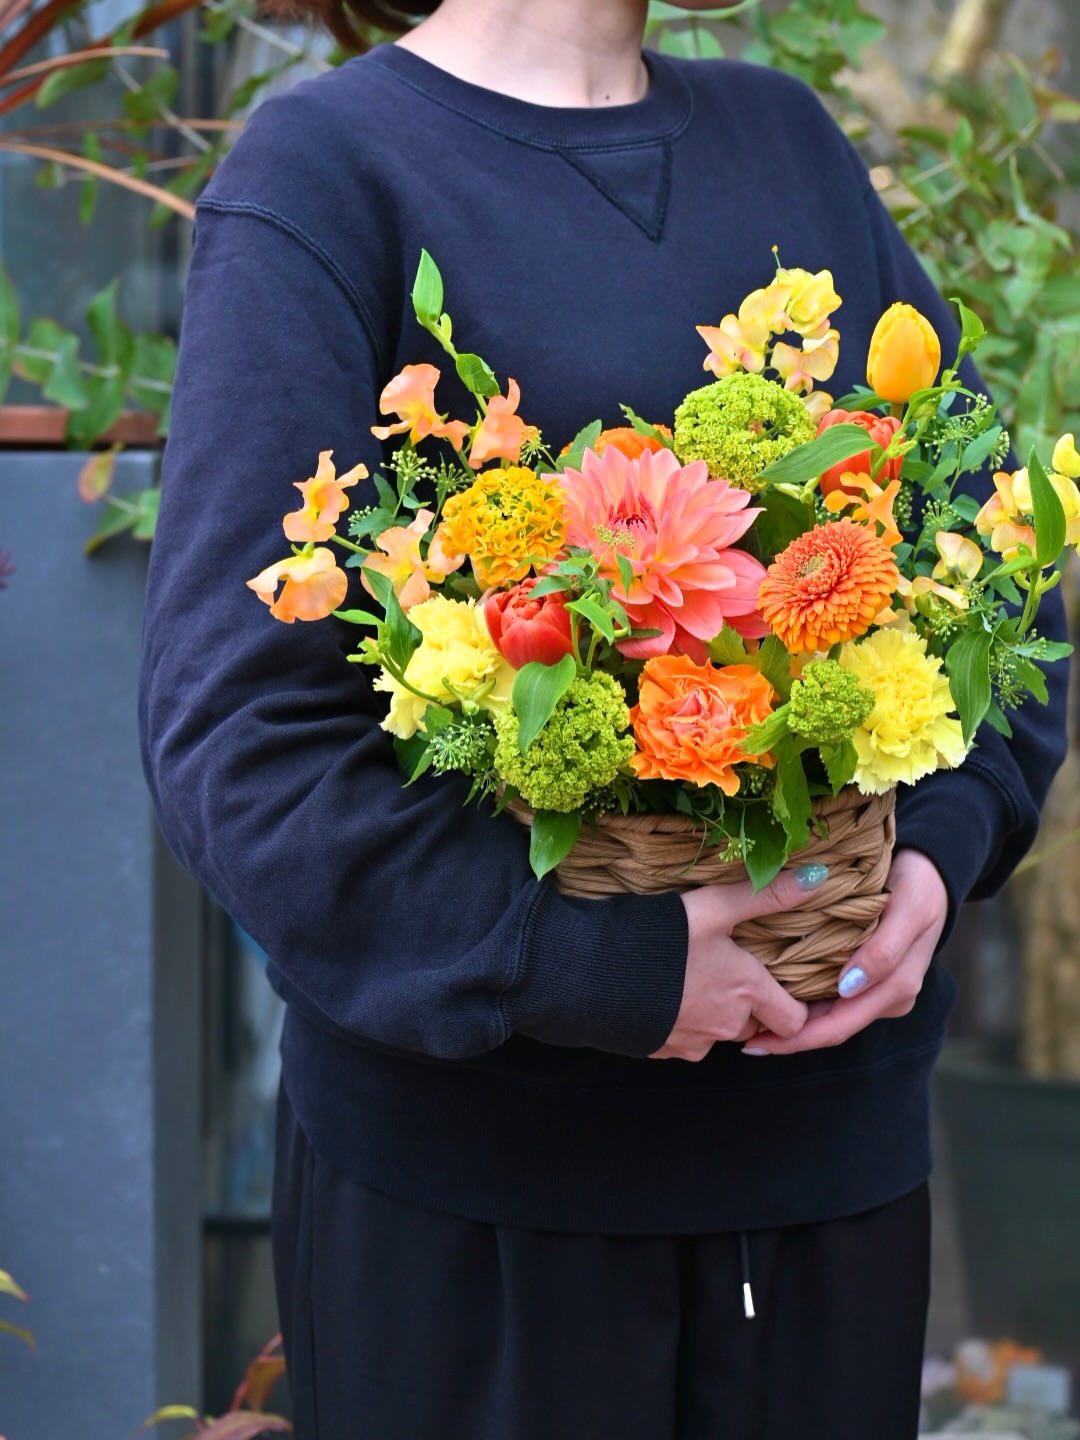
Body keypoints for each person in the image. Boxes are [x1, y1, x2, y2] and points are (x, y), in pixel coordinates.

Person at [138, 1, 1069, 1436]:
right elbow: (238, 743)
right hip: (485, 1217)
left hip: (827, 1186)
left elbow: (995, 565)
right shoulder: (325, 176)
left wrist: (937, 857)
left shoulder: (787, 143)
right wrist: (595, 966)